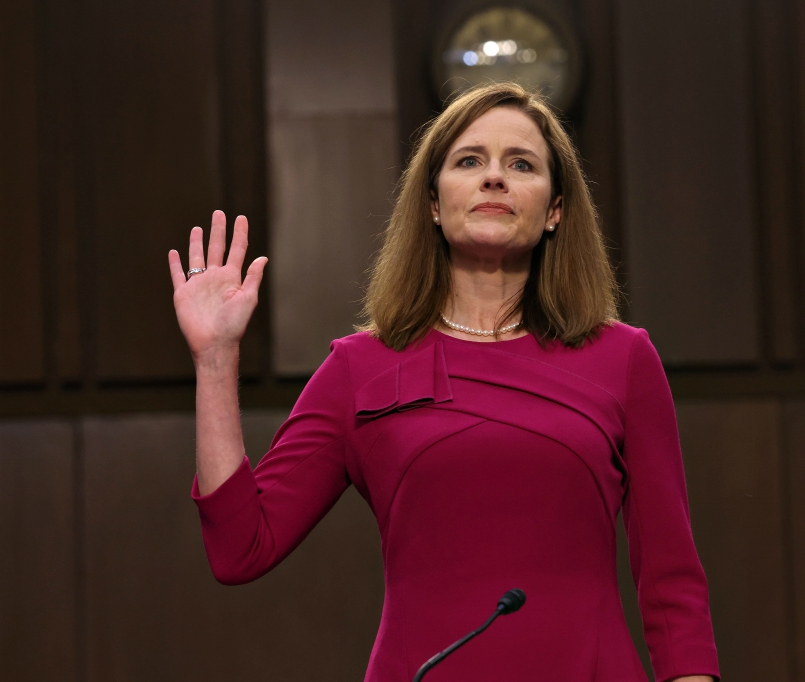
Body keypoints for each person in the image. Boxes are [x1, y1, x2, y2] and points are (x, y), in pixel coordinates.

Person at [168, 82, 719, 682]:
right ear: (433, 202)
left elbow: (673, 587)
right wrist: (216, 360)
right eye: (469, 161)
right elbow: (240, 547)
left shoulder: (624, 358)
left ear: (556, 209)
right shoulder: (360, 368)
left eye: (522, 164)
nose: (494, 178)